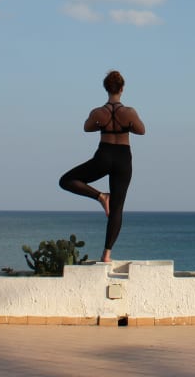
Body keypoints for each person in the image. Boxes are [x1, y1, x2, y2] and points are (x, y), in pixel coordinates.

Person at [59, 70, 146, 263]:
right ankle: (107, 254)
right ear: (122, 89)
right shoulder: (129, 112)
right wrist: (127, 125)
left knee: (66, 181)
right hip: (123, 158)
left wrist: (102, 124)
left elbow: (87, 127)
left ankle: (100, 196)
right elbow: (142, 130)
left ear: (106, 88)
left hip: (104, 155)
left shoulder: (98, 112)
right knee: (117, 208)